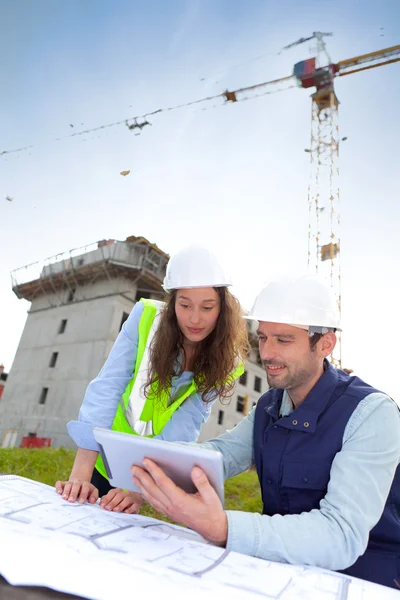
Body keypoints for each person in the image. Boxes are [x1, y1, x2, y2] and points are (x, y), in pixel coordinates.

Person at [131, 274, 400, 589]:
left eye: (283, 340)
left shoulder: (372, 414)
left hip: (365, 580)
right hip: (282, 571)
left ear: (325, 344)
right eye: (263, 337)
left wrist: (224, 527)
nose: (267, 353)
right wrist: (151, 467)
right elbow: (225, 453)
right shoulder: (270, 406)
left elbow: (341, 535)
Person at [56, 244, 248, 513]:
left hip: (148, 466)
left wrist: (137, 487)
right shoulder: (145, 318)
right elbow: (108, 386)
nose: (195, 319)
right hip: (103, 454)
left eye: (207, 307)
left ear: (223, 308)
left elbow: (186, 423)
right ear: (172, 302)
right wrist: (81, 474)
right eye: (185, 305)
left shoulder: (228, 362)